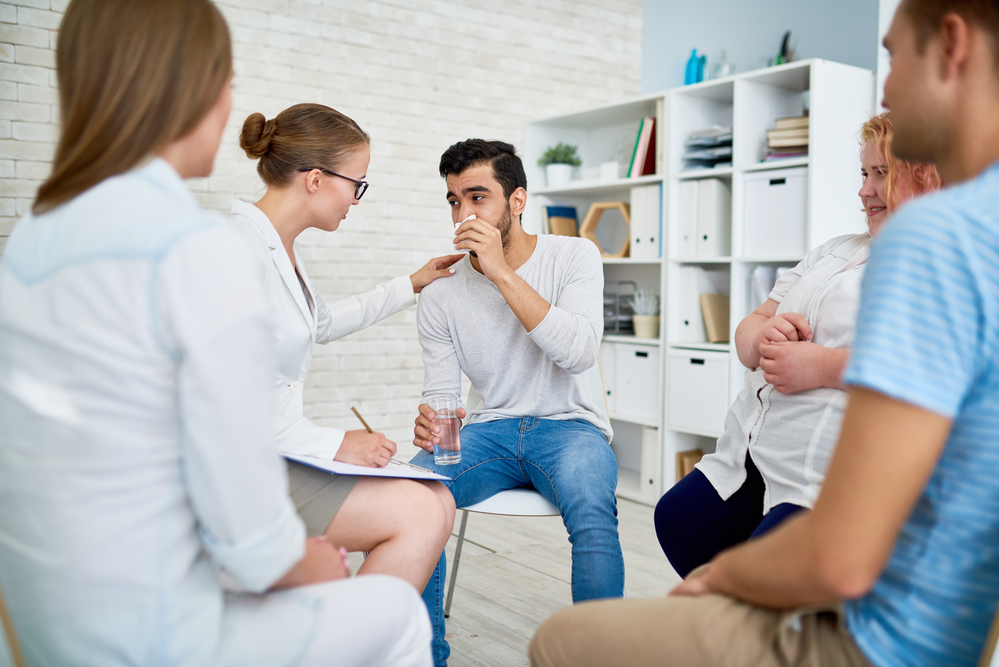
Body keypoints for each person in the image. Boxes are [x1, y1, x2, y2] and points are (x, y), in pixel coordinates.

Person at [529, 1, 999, 665]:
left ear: (951, 46)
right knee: (686, 530)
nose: (886, 86)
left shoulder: (931, 241)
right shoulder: (944, 234)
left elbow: (842, 551)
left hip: (879, 635)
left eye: (892, 58)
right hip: (936, 617)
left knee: (560, 640)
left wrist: (721, 579)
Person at [0, 1, 430, 665]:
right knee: (397, 611)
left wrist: (409, 283)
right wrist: (302, 563)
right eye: (227, 84)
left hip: (44, 615)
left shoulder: (34, 237)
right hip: (154, 631)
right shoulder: (199, 249)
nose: (232, 108)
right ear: (191, 89)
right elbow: (248, 532)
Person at [653, 111, 941, 578]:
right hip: (748, 456)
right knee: (678, 519)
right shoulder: (835, 251)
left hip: (830, 483)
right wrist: (758, 338)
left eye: (881, 174)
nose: (865, 189)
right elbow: (754, 323)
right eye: (864, 173)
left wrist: (821, 366)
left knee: (756, 583)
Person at [230, 102, 459, 633]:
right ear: (315, 179)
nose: (357, 197)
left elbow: (319, 322)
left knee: (438, 498)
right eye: (357, 183)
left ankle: (358, 644)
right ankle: (343, 646)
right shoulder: (238, 251)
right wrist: (333, 445)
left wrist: (412, 282)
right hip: (242, 466)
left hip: (273, 451)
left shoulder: (279, 245)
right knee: (422, 512)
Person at [410, 139, 624, 666]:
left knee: (593, 510)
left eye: (478, 197)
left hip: (571, 427)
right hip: (490, 430)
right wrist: (435, 424)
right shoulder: (441, 290)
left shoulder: (574, 256)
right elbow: (442, 395)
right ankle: (423, 656)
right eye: (455, 200)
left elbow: (577, 354)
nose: (464, 214)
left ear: (518, 200)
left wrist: (502, 271)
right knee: (409, 495)